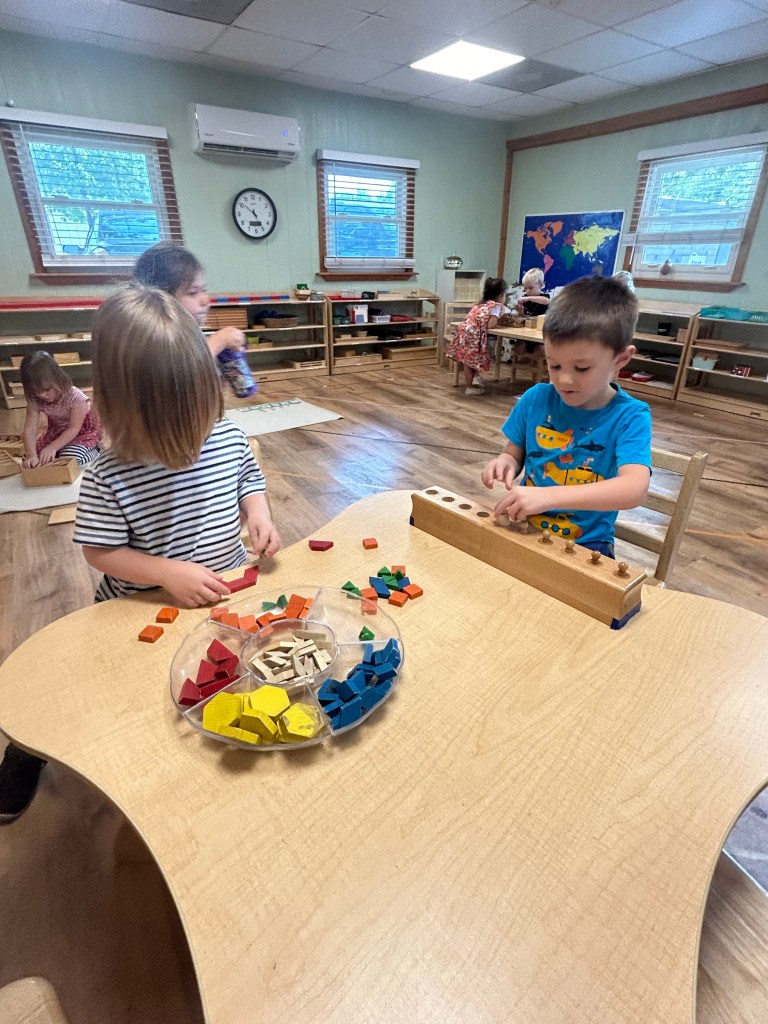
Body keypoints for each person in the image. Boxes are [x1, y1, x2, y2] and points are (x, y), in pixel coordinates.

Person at [0, 287, 281, 824]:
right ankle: (26, 747)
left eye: (200, 411)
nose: (194, 432)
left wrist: (258, 513)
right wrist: (164, 571)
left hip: (220, 594)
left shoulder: (226, 438)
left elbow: (249, 479)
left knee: (212, 686)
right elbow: (100, 550)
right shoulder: (109, 473)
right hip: (136, 606)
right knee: (93, 687)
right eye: (175, 420)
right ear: (124, 410)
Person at [481, 275, 651, 558]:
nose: (564, 380)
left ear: (620, 359)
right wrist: (505, 463)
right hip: (524, 529)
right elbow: (513, 453)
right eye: (554, 365)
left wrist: (548, 497)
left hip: (587, 545)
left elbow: (634, 489)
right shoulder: (536, 398)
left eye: (582, 368)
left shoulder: (630, 416)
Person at [134, 242, 257, 398]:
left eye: (204, 290)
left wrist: (220, 378)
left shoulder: (191, 332)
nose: (205, 300)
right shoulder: (153, 337)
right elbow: (178, 374)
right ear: (160, 299)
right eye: (192, 293)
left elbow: (198, 385)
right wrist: (219, 341)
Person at [20, 352, 102, 468]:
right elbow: (30, 428)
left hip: (82, 433)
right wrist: (31, 455)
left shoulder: (76, 397)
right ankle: (63, 450)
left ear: (58, 379)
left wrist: (53, 446)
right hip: (57, 432)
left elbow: (74, 429)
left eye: (47, 389)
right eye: (36, 391)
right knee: (33, 457)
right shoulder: (34, 399)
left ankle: (96, 451)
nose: (42, 395)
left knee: (68, 459)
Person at [446, 277, 508, 395]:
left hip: (464, 332)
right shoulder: (495, 307)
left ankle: (475, 380)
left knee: (467, 359)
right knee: (470, 361)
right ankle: (470, 387)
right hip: (473, 335)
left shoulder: (480, 305)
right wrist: (497, 319)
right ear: (500, 296)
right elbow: (490, 325)